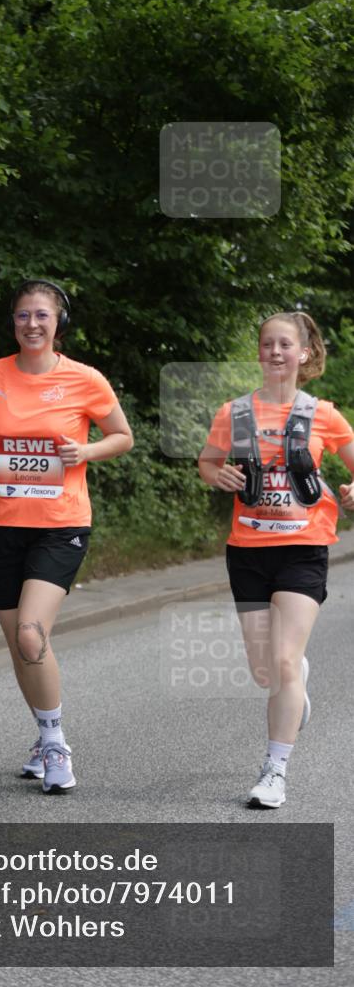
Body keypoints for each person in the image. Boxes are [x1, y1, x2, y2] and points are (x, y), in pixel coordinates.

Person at [0, 279, 133, 793]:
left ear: (59, 323)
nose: (31, 324)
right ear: (13, 322)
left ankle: (55, 745)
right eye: (22, 315)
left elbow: (123, 436)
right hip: (0, 525)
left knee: (31, 634)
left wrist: (86, 452)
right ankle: (43, 737)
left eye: (42, 315)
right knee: (20, 646)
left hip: (60, 524)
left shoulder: (84, 379)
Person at [199, 311, 354, 808]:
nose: (275, 352)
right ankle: (293, 678)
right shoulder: (234, 412)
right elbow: (208, 462)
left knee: (283, 660)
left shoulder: (323, 414)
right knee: (265, 671)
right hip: (247, 551)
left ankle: (274, 771)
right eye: (267, 344)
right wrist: (217, 475)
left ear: (303, 353)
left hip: (303, 550)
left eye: (285, 344)